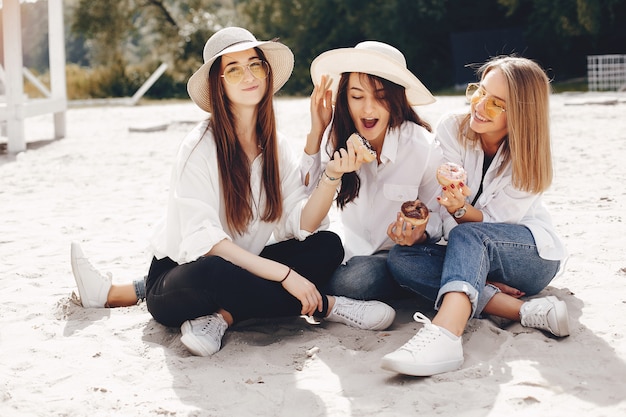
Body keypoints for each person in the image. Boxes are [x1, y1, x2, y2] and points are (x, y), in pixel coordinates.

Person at [71, 27, 397, 357]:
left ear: (267, 74)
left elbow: (303, 223)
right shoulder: (199, 146)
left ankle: (223, 316)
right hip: (184, 276)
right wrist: (286, 275)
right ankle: (327, 307)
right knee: (219, 272)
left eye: (255, 64)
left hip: (243, 266)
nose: (248, 76)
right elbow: (210, 245)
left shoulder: (276, 146)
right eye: (234, 69)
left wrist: (331, 174)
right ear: (220, 83)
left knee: (326, 246)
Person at [380, 56, 570, 377]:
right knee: (401, 258)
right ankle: (524, 310)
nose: (479, 106)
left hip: (528, 257)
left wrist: (459, 209)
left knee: (467, 235)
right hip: (471, 253)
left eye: (496, 104)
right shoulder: (453, 128)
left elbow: (494, 226)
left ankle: (446, 335)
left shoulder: (530, 156)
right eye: (478, 92)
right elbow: (440, 213)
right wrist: (422, 231)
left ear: (521, 115)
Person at [300, 41, 445, 301]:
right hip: (355, 255)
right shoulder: (335, 138)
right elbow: (303, 213)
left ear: (396, 99)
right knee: (336, 274)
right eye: (357, 96)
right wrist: (317, 132)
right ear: (344, 98)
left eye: (380, 96)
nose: (368, 109)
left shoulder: (422, 146)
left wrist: (419, 232)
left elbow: (440, 218)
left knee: (360, 280)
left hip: (406, 254)